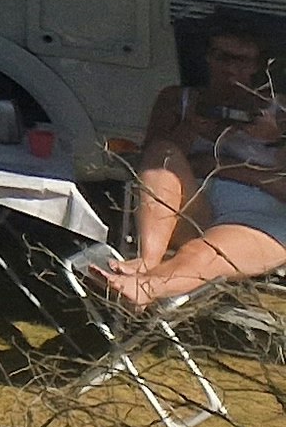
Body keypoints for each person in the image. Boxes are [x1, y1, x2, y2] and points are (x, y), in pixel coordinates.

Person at [95, 16, 286, 309]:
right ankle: (147, 259)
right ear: (207, 57)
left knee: (202, 253)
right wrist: (194, 126)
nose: (231, 68)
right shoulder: (178, 101)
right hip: (190, 210)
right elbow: (152, 163)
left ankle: (145, 287)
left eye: (243, 60)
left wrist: (274, 140)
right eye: (222, 57)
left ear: (260, 65)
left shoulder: (280, 113)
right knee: (164, 152)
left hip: (259, 219)